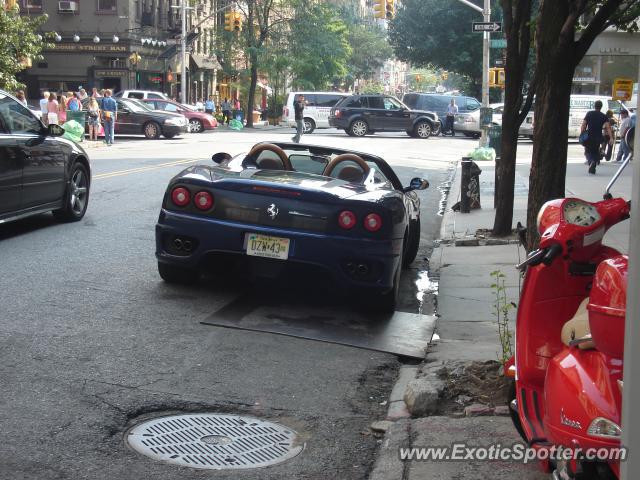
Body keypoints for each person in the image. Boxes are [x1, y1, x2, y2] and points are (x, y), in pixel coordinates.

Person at [581, 100, 612, 174]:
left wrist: (582, 133)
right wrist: (611, 137)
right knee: (595, 151)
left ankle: (591, 161)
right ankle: (594, 163)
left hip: (589, 136)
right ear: (601, 107)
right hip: (598, 137)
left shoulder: (589, 113)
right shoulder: (603, 116)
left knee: (587, 151)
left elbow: (584, 125)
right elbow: (608, 127)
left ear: (594, 106)